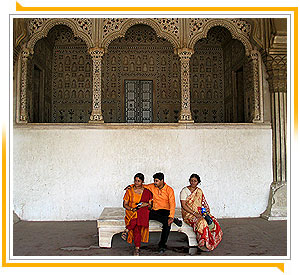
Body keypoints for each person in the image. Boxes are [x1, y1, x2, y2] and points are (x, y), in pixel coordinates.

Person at [125, 172, 182, 253]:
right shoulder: (152, 186)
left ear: (162, 180)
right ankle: (173, 220)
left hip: (165, 210)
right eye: (154, 181)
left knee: (167, 224)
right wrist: (130, 186)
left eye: (157, 181)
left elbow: (172, 204)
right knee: (143, 215)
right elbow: (141, 185)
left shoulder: (169, 190)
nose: (155, 183)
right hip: (154, 210)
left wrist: (171, 216)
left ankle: (162, 245)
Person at [180, 173, 223, 251]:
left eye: (195, 181)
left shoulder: (199, 191)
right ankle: (201, 243)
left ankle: (210, 240)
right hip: (188, 214)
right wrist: (194, 213)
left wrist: (205, 213)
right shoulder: (184, 191)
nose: (193, 182)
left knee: (213, 220)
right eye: (191, 180)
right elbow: (184, 205)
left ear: (198, 182)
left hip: (198, 212)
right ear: (189, 181)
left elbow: (203, 203)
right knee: (202, 222)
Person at [122, 173, 153, 256]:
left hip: (141, 212)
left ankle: (127, 230)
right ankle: (137, 249)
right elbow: (124, 204)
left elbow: (150, 206)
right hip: (131, 212)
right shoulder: (129, 191)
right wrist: (132, 209)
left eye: (138, 181)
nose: (136, 183)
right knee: (137, 222)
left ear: (142, 182)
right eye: (135, 180)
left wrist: (145, 204)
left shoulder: (147, 192)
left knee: (137, 225)